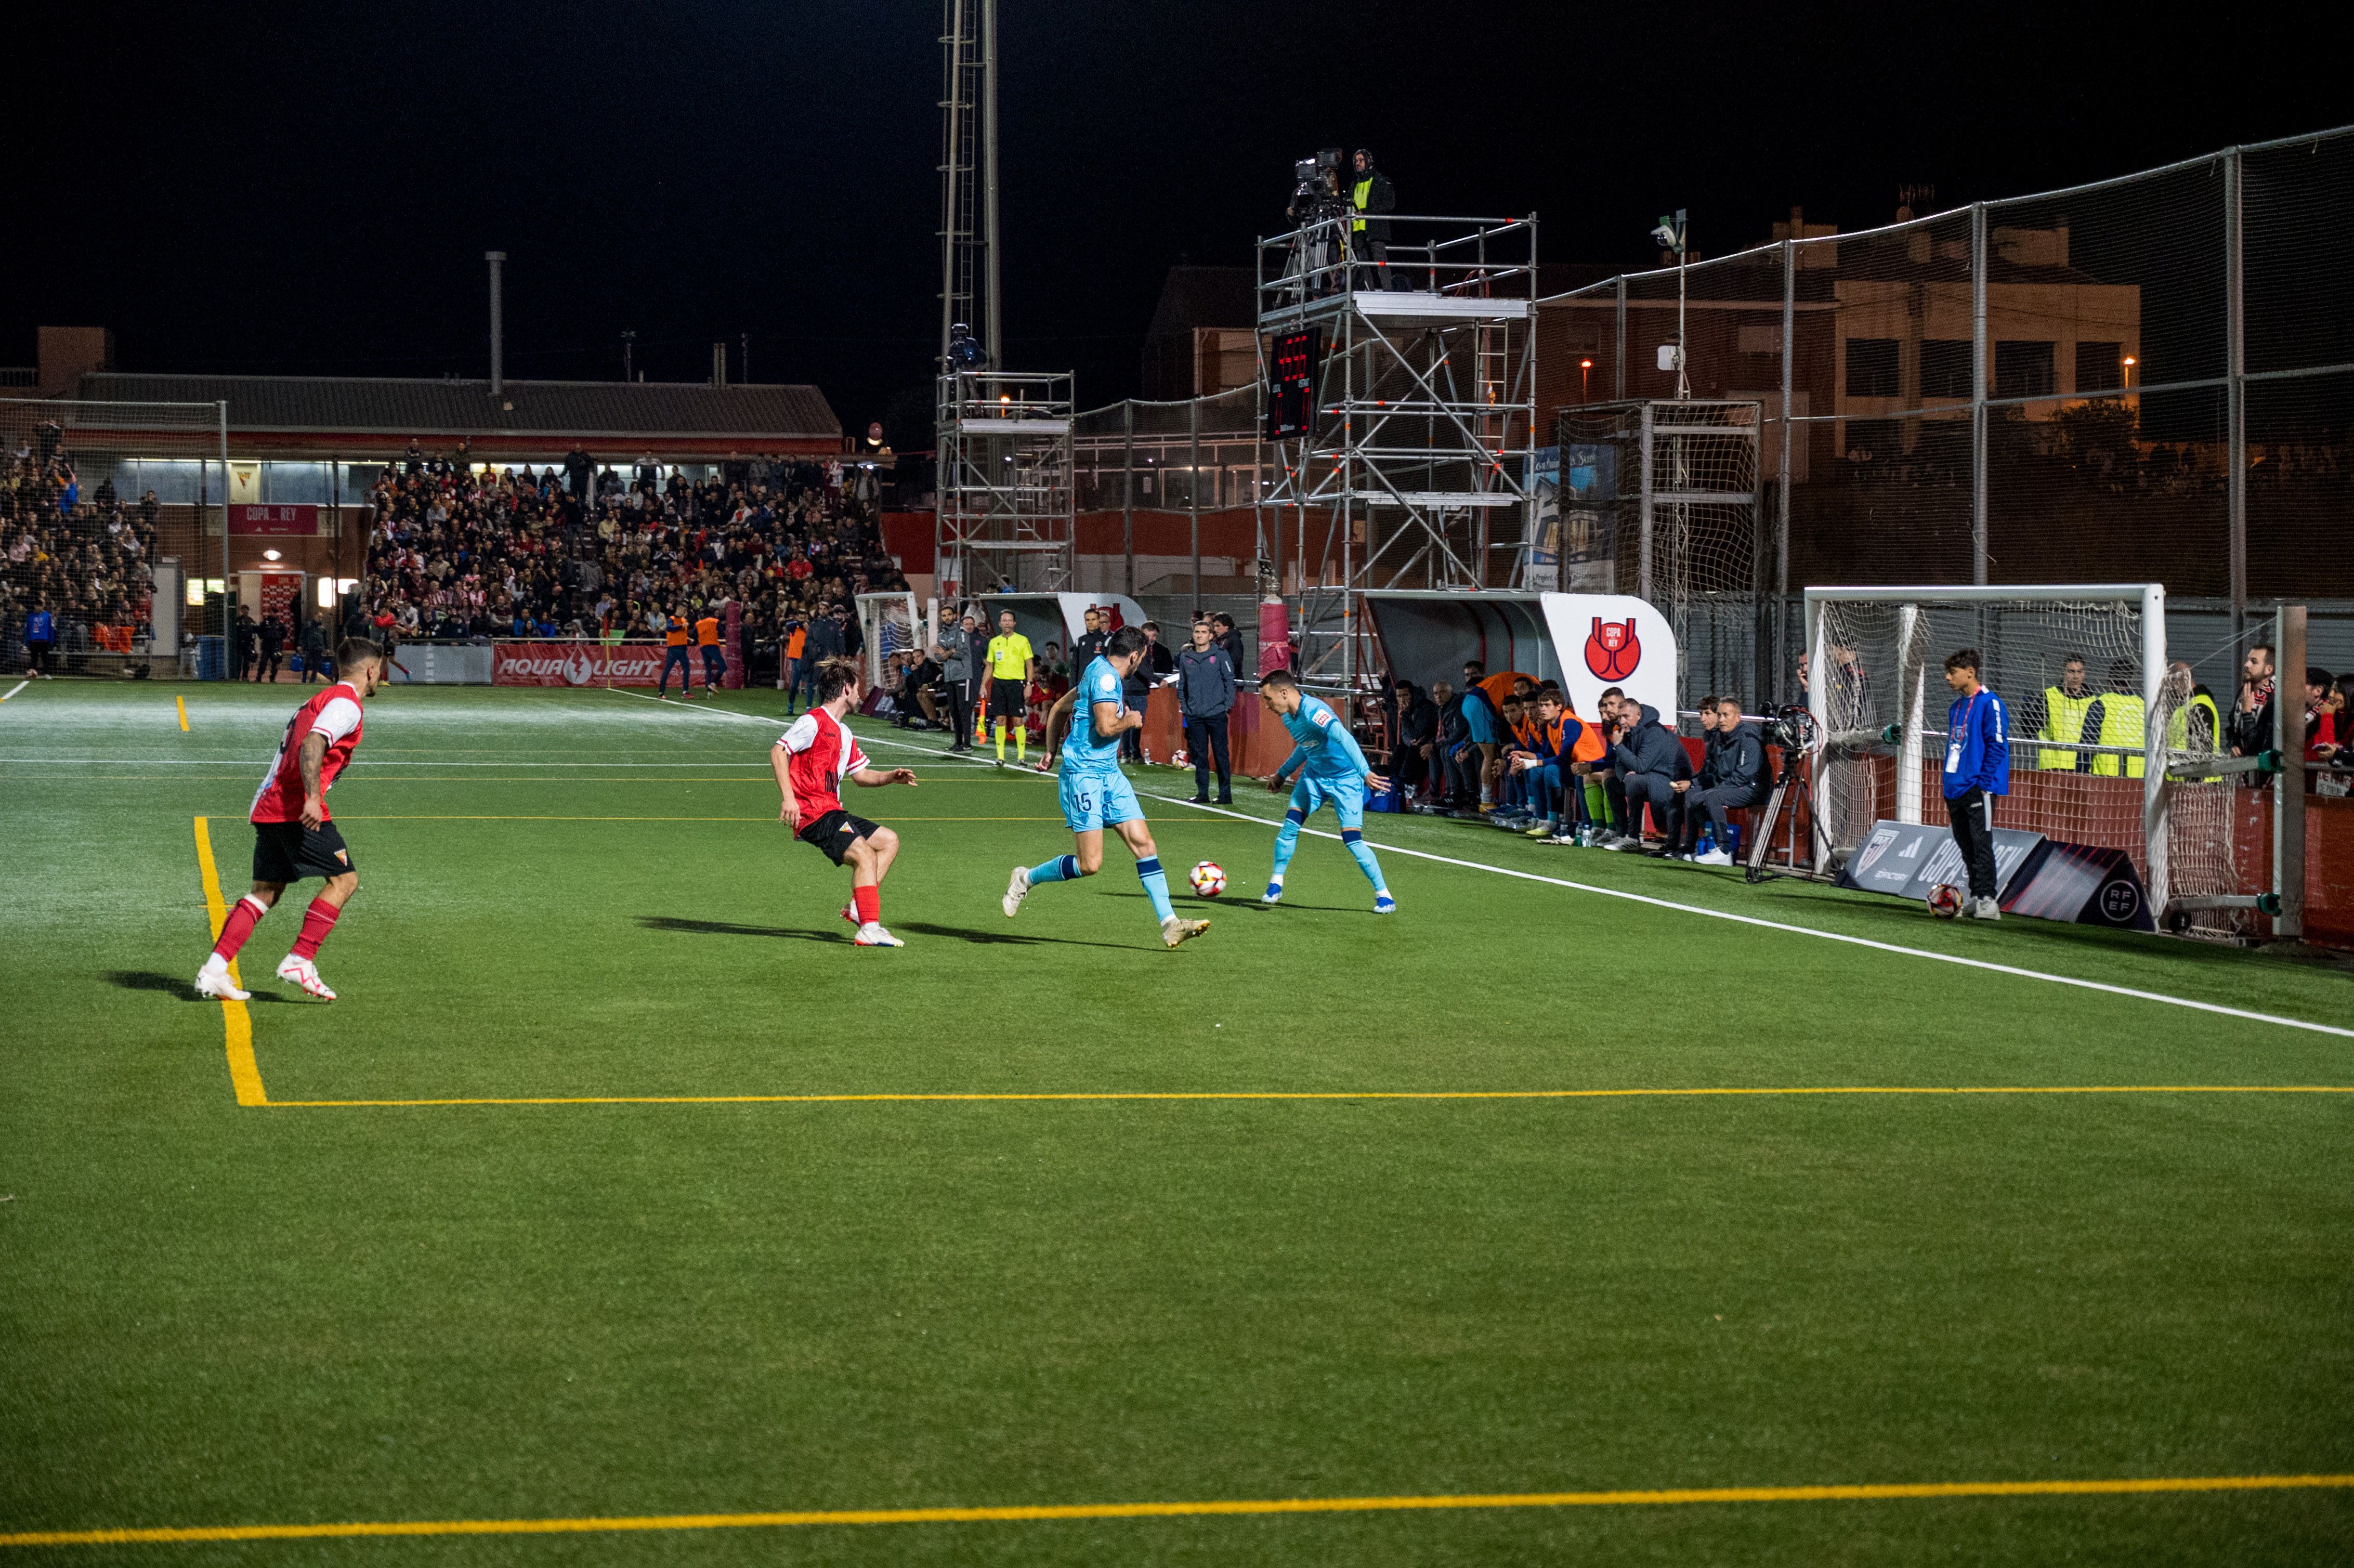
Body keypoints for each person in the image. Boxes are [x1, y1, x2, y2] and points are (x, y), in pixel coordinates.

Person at [194, 638, 389, 1002]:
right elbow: (313, 743)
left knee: (265, 891)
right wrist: (313, 798)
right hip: (295, 807)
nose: (380, 677)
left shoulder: (316, 700)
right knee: (344, 880)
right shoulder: (346, 705)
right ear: (370, 670)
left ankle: (214, 971)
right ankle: (301, 958)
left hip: (269, 805)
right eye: (380, 670)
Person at [1001, 625, 1209, 949]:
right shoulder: (1108, 679)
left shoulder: (1096, 669)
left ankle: (1170, 923)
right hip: (1083, 776)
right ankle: (1025, 878)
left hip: (1109, 774)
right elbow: (1106, 726)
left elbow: (1058, 709)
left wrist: (1051, 751)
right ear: (1136, 655)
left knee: (1144, 844)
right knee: (1090, 865)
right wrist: (1132, 720)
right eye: (1143, 657)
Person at [772, 659, 920, 948]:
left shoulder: (845, 732)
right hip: (813, 813)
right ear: (845, 689)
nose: (860, 695)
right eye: (856, 689)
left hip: (832, 810)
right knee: (864, 854)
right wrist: (789, 799)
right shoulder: (812, 721)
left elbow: (862, 776)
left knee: (889, 841)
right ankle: (869, 927)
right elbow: (779, 752)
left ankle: (858, 907)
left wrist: (891, 776)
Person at [1257, 668, 1395, 912]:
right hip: (1315, 777)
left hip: (1346, 779)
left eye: (1268, 699)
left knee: (1352, 840)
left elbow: (1344, 738)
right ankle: (1275, 884)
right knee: (1290, 826)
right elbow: (1306, 746)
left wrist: (1364, 772)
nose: (1266, 706)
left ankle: (1384, 895)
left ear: (1285, 693)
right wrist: (1282, 773)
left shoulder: (1316, 712)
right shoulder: (1289, 717)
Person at [1940, 647, 2010, 920]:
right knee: (1965, 844)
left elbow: (1998, 746)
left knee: (1982, 843)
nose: (1947, 678)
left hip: (1980, 788)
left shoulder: (1990, 703)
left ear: (1970, 673)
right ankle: (1976, 895)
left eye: (1952, 672)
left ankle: (1988, 900)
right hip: (1955, 788)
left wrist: (1983, 783)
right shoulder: (1955, 707)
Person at [1673, 697, 1767, 862]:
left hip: (1752, 787)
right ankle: (1700, 846)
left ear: (1738, 717)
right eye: (1720, 715)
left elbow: (1744, 775)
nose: (1722, 720)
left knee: (1712, 797)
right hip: (1733, 785)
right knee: (1693, 796)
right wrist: (1695, 783)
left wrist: (1719, 790)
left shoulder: (1748, 739)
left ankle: (1724, 850)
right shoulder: (1719, 738)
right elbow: (1714, 772)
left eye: (1726, 715)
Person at [1601, 694, 1687, 853]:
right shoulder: (1627, 731)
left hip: (1671, 781)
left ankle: (1633, 838)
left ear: (1638, 716)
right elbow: (1620, 764)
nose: (1622, 721)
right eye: (1620, 717)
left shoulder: (1653, 731)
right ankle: (1623, 835)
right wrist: (1624, 776)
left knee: (1635, 781)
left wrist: (1619, 746)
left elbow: (1641, 766)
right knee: (1612, 783)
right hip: (1649, 780)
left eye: (1626, 717)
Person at [1178, 617, 1237, 804]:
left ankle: (1225, 794)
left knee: (1221, 754)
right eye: (1197, 632)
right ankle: (1203, 793)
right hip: (1195, 715)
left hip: (1216, 713)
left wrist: (1227, 705)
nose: (1200, 636)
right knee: (1199, 755)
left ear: (1211, 636)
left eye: (1204, 632)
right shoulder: (1186, 657)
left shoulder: (1220, 655)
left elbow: (1230, 680)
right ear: (1193, 635)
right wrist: (1186, 708)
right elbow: (1182, 685)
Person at [2080, 658, 2147, 778]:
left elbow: (2087, 744)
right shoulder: (2143, 706)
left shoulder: (2101, 704)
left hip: (2105, 779)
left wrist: (2079, 774)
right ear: (2130, 680)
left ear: (2109, 680)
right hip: (2139, 779)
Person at [984, 609, 1036, 764]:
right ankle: (1000, 757)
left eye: (1009, 620)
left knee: (1018, 720)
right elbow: (989, 666)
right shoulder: (994, 642)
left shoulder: (1022, 640)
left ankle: (1021, 757)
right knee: (1000, 719)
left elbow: (1030, 665)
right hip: (999, 684)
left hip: (1016, 683)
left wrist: (1029, 684)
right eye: (1004, 620)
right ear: (1000, 624)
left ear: (1014, 623)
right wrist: (983, 685)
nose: (1007, 623)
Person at [1348, 149, 1403, 292]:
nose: (1358, 164)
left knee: (1381, 262)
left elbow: (1389, 204)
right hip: (1358, 229)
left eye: (1361, 160)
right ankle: (1369, 290)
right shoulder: (1355, 184)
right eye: (1356, 161)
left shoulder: (1380, 181)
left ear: (1369, 162)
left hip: (1375, 229)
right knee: (1363, 264)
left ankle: (1388, 290)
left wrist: (1365, 212)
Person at [2032, 655, 2095, 771]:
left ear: (2084, 674)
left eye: (2079, 672)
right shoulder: (2049, 696)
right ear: (2064, 673)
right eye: (2071, 672)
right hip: (2053, 766)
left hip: (2082, 767)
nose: (2076, 676)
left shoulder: (2093, 701)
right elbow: (2030, 730)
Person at [931, 609, 980, 753]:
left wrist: (947, 653)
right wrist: (951, 652)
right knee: (954, 711)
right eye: (944, 615)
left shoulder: (962, 633)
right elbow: (938, 657)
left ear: (954, 616)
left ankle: (967, 744)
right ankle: (958, 743)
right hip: (949, 676)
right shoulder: (941, 635)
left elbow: (962, 653)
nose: (947, 618)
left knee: (964, 711)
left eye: (949, 615)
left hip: (963, 675)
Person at [657, 606, 695, 698]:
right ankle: (661, 692)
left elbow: (681, 634)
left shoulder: (683, 620)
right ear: (679, 609)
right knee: (667, 670)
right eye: (684, 610)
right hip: (673, 649)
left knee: (687, 669)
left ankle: (685, 692)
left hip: (683, 649)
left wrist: (688, 639)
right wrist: (681, 626)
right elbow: (670, 628)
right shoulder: (672, 619)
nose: (685, 612)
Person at [695, 608, 725, 695]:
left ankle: (709, 692)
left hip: (703, 647)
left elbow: (694, 635)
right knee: (723, 666)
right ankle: (714, 683)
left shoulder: (698, 623)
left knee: (708, 669)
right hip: (712, 646)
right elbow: (723, 634)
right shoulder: (715, 621)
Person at [22, 601, 56, 677]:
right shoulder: (30, 616)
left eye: (41, 606)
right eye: (38, 606)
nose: (39, 608)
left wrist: (51, 640)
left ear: (43, 606)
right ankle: (32, 673)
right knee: (34, 658)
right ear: (35, 606)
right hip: (33, 640)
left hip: (44, 640)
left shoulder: (47, 615)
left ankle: (47, 673)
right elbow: (27, 629)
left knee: (45, 658)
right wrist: (26, 642)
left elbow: (51, 628)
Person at [298, 617, 328, 684]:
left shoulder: (322, 627)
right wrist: (301, 645)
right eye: (319, 617)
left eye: (321, 617)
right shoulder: (309, 626)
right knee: (307, 663)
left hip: (319, 648)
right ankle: (304, 677)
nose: (320, 619)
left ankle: (313, 680)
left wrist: (327, 648)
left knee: (316, 665)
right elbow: (303, 636)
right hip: (310, 648)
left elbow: (325, 639)